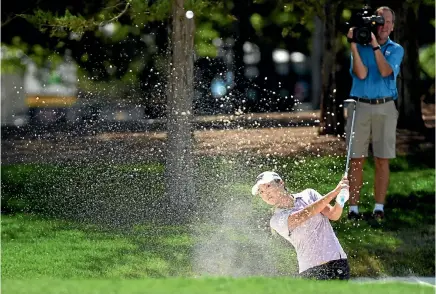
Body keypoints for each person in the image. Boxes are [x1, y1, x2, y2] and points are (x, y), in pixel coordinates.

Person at [346, 6, 404, 221]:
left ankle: (378, 207)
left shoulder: (396, 49)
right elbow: (360, 74)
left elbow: (386, 71)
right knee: (356, 159)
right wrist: (354, 45)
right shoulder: (360, 47)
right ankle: (353, 209)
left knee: (382, 159)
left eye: (388, 21)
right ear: (374, 23)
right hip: (359, 106)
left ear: (393, 26)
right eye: (381, 21)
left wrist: (375, 47)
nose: (384, 25)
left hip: (385, 107)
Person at [251, 171, 350, 280]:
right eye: (261, 192)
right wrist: (334, 192)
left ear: (280, 183)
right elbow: (304, 215)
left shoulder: (308, 194)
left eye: (268, 186)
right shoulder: (276, 220)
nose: (266, 194)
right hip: (311, 271)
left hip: (337, 262)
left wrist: (341, 198)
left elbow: (333, 214)